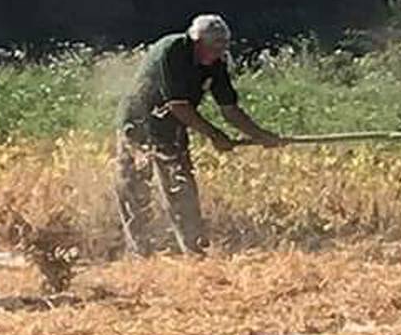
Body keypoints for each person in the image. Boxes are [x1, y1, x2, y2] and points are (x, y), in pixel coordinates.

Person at [116, 14, 282, 255]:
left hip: (173, 125)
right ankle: (139, 250)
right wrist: (215, 135)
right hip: (140, 120)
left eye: (222, 47)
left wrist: (261, 135)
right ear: (196, 41)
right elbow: (178, 104)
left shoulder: (217, 63)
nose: (217, 53)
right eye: (212, 47)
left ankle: (193, 248)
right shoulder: (173, 51)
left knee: (180, 183)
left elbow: (230, 109)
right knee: (135, 186)